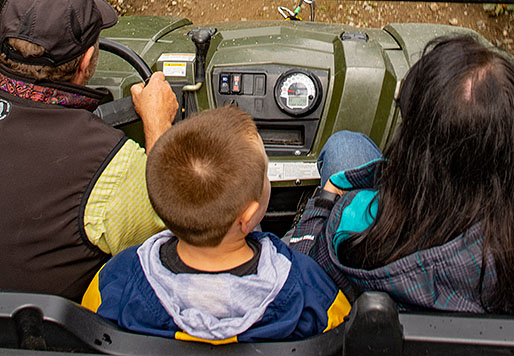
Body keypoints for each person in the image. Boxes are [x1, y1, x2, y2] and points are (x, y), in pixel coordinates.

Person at [289, 34, 514, 321]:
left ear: (416, 154)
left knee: (345, 146)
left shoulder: (357, 236)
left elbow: (298, 276)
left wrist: (324, 204)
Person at [82, 106, 351, 343]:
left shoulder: (114, 279)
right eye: (265, 175)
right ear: (249, 216)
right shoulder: (311, 287)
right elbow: (341, 331)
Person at [0, 0, 178, 301]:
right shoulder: (112, 166)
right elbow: (176, 229)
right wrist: (158, 125)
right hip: (50, 329)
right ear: (86, 62)